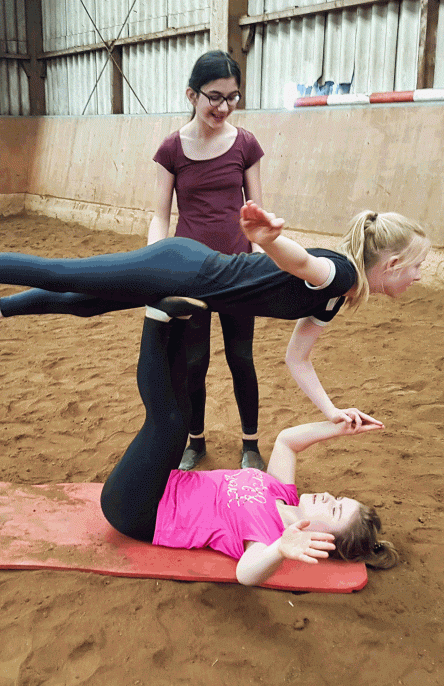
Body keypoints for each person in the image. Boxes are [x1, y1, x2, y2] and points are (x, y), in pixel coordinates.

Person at [0, 201, 430, 431]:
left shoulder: (336, 299)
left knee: (85, 304)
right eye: (418, 267)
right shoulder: (338, 274)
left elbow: (298, 360)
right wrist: (268, 239)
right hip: (181, 267)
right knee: (66, 274)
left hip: (186, 281)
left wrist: (332, 410)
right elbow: (301, 262)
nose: (419, 277)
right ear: (392, 263)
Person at [100, 302, 398, 585]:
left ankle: (155, 318)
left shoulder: (269, 536)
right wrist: (338, 427)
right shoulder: (283, 492)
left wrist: (280, 549)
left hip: (138, 509)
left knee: (170, 425)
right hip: (163, 484)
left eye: (334, 510)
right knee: (183, 409)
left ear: (323, 540)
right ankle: (176, 322)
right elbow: (287, 442)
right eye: (339, 498)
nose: (328, 497)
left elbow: (245, 574)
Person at [147, 50, 266, 472]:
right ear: (192, 95)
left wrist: (263, 261)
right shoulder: (171, 149)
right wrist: (153, 265)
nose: (224, 107)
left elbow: (258, 213)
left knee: (241, 358)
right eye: (215, 97)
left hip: (237, 271)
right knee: (193, 362)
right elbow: (161, 216)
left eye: (233, 97)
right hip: (190, 273)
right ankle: (195, 441)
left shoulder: (246, 144)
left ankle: (251, 444)